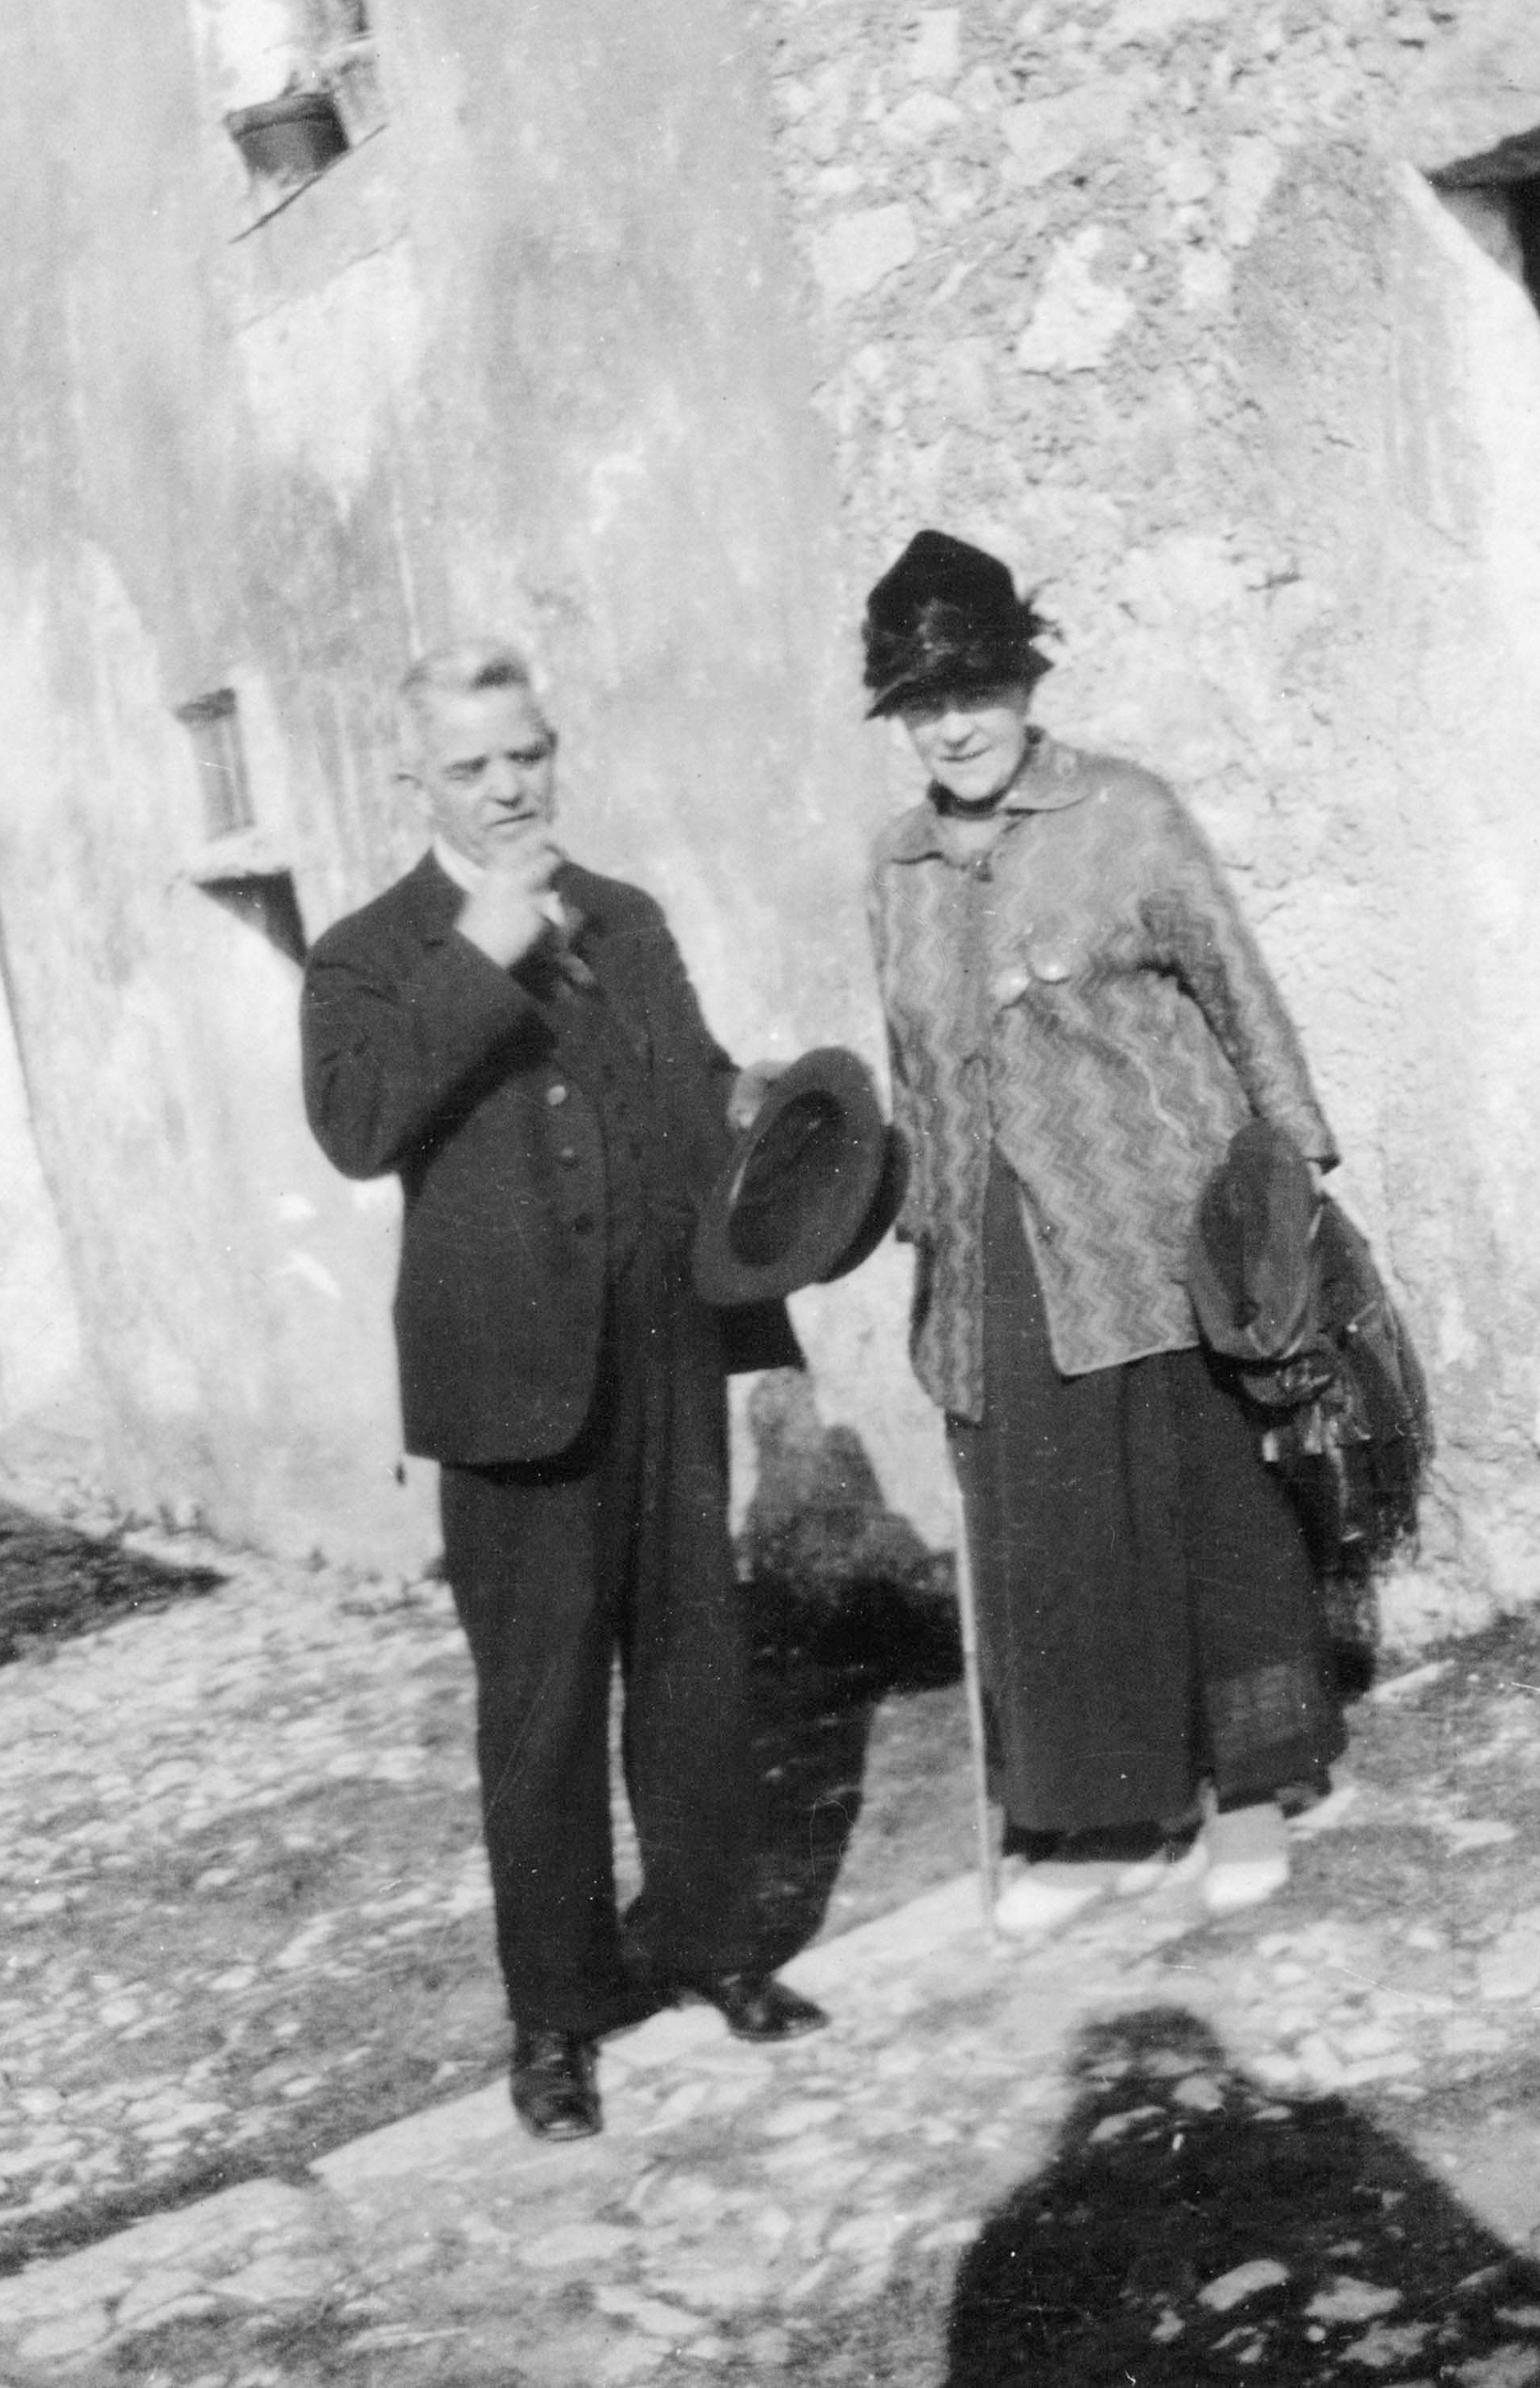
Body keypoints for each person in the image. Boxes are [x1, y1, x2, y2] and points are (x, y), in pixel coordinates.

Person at [300, 642, 825, 2141]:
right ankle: (558, 2016)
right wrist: (485, 943)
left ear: (553, 749)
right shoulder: (367, 950)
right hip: (506, 1389)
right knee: (536, 1715)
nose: (506, 784)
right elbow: (354, 1122)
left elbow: (697, 1077)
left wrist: (771, 1112)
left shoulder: (633, 916)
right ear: (418, 784)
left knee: (695, 1663)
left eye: (524, 753)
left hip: (664, 1348)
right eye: (469, 767)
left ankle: (716, 1945)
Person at [861, 532, 1345, 1936]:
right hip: (993, 1240)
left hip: (1159, 1219)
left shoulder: (1126, 813)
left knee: (1201, 1499)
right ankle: (1114, 1817)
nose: (951, 723)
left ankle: (1249, 1790)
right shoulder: (894, 867)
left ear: (1024, 685)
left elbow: (1241, 991)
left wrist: (1290, 1179)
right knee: (1051, 1534)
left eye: (976, 688)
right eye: (919, 701)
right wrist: (918, 1232)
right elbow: (913, 1069)